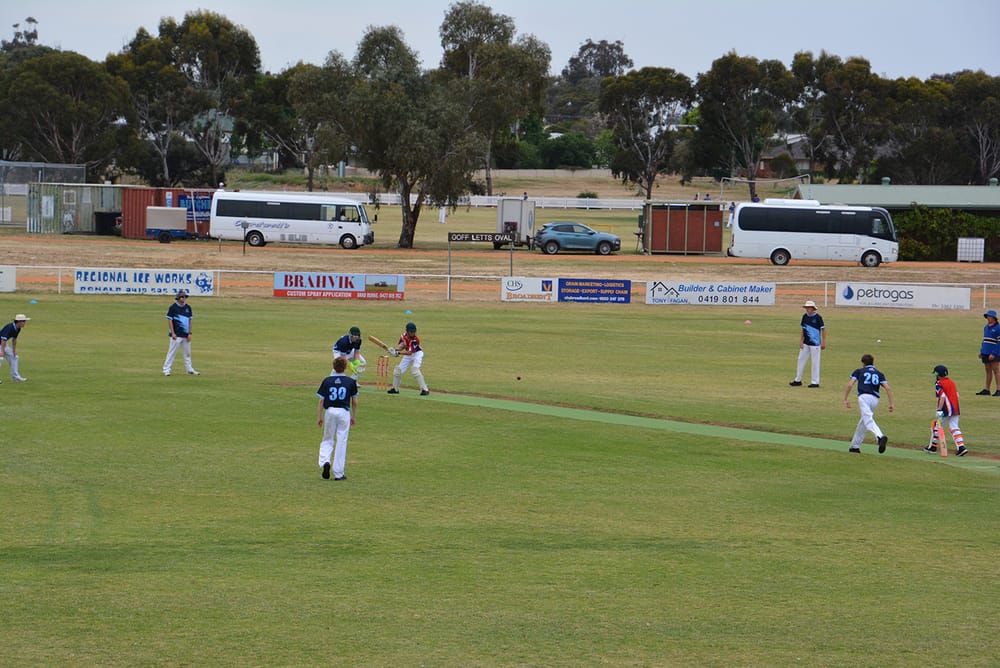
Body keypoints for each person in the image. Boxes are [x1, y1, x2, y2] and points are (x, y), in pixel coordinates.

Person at [316, 356, 358, 480]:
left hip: (330, 411)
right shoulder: (351, 382)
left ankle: (325, 461)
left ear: (334, 367)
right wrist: (353, 416)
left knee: (327, 438)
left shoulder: (327, 381)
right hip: (344, 412)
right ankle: (338, 473)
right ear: (345, 367)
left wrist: (320, 416)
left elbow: (321, 400)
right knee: (341, 441)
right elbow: (354, 402)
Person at [843, 353, 894, 454]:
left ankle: (879, 437)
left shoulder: (859, 371)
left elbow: (850, 385)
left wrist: (845, 399)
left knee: (868, 419)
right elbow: (888, 388)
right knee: (864, 421)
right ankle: (855, 446)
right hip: (875, 399)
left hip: (864, 397)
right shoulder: (879, 373)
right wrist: (891, 403)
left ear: (863, 363)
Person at [926, 365, 968, 456]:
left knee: (937, 426)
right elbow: (957, 394)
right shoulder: (951, 382)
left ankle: (933, 447)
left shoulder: (939, 383)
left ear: (938, 375)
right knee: (954, 427)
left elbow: (942, 397)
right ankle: (961, 447)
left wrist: (939, 410)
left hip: (946, 409)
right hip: (956, 408)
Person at [386, 321, 429, 396]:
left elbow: (410, 352)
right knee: (398, 370)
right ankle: (395, 389)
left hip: (417, 354)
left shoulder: (415, 340)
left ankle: (425, 389)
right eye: (411, 332)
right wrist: (395, 350)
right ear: (407, 331)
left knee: (415, 369)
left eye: (414, 332)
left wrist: (398, 353)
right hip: (408, 354)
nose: (413, 333)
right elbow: (403, 345)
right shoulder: (403, 336)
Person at [790, 300, 826, 388]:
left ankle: (815, 382)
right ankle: (798, 380)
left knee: (815, 362)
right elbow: (803, 329)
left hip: (815, 344)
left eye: (809, 308)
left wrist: (823, 342)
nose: (807, 309)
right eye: (806, 308)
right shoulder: (805, 316)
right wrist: (801, 341)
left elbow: (823, 329)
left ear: (813, 308)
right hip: (806, 342)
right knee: (800, 360)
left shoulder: (818, 317)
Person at [162, 289, 198, 376]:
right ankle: (166, 369)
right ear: (178, 298)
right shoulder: (173, 307)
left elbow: (190, 320)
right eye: (182, 297)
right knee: (172, 353)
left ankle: (189, 369)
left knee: (187, 353)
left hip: (185, 334)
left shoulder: (188, 307)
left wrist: (190, 333)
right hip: (176, 334)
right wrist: (173, 333)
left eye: (185, 297)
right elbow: (170, 320)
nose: (184, 298)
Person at [0, 313, 31, 383]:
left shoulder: (18, 328)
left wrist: (14, 351)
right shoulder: (10, 327)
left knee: (15, 357)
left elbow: (14, 339)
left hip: (3, 344)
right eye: (23, 321)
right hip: (1, 343)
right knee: (0, 359)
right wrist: (2, 351)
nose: (25, 323)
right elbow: (3, 340)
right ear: (19, 322)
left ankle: (15, 377)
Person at [976, 309, 1000, 396]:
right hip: (985, 352)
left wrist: (994, 353)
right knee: (987, 370)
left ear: (994, 318)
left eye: (989, 316)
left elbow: (999, 342)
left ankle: (998, 389)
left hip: (994, 352)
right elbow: (985, 340)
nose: (988, 318)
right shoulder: (986, 327)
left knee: (996, 370)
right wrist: (981, 351)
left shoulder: (998, 328)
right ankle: (987, 389)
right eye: (987, 316)